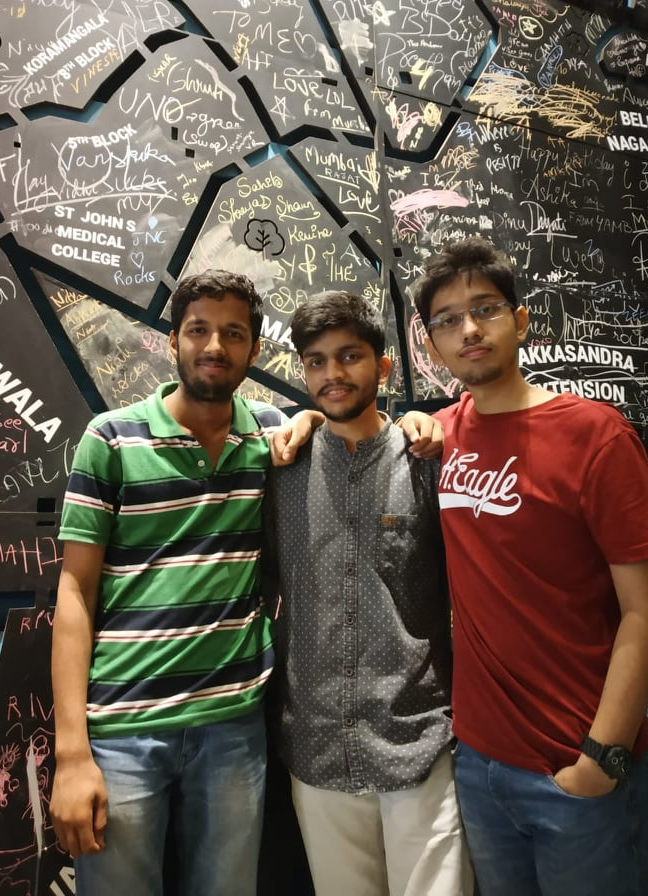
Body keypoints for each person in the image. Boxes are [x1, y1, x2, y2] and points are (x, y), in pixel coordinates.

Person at [49, 269, 442, 896]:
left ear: (255, 350)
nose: (214, 346)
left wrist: (408, 420)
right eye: (198, 330)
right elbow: (74, 594)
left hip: (234, 723)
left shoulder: (269, 436)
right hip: (124, 728)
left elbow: (333, 423)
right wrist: (71, 753)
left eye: (233, 333)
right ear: (172, 340)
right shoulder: (111, 438)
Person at [413, 236, 648, 896]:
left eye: (486, 309)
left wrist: (602, 758)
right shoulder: (441, 435)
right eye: (448, 320)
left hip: (580, 770)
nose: (469, 330)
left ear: (521, 320)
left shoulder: (596, 435)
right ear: (432, 346)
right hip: (478, 766)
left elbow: (646, 610)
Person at [263, 291, 473, 896]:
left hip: (418, 736)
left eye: (349, 356)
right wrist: (301, 422)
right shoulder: (281, 467)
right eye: (317, 361)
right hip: (317, 743)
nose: (333, 373)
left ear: (382, 367)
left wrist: (422, 421)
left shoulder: (426, 460)